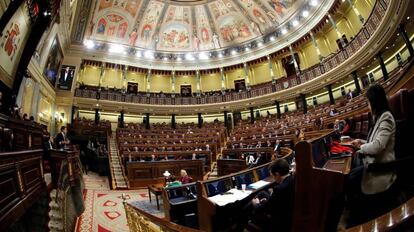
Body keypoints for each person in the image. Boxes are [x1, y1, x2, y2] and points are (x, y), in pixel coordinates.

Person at [347, 84, 398, 225]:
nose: (368, 106)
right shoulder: (379, 117)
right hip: (372, 164)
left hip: (380, 169)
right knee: (349, 176)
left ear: (375, 102)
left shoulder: (386, 117)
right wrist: (361, 142)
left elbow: (379, 147)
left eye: (369, 102)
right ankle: (356, 214)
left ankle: (360, 220)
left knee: (350, 180)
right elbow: (374, 141)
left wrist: (361, 147)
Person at [247, 159, 295, 231]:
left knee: (253, 210)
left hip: (280, 222)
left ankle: (241, 221)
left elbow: (266, 210)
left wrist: (256, 204)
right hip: (289, 213)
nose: (274, 179)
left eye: (273, 176)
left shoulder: (279, 189)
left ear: (277, 174)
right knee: (262, 193)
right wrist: (267, 201)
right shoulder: (293, 179)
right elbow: (275, 203)